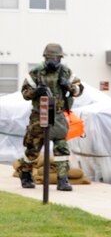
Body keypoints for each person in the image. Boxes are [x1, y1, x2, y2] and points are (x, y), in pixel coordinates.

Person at [18, 43, 84, 191]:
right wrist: (36, 92)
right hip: (39, 115)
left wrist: (68, 86)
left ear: (60, 58)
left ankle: (62, 179)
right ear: (45, 58)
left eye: (55, 58)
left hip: (58, 115)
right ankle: (26, 174)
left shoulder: (66, 72)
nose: (52, 61)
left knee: (61, 148)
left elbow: (79, 90)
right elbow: (24, 93)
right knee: (33, 148)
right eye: (49, 58)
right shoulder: (36, 72)